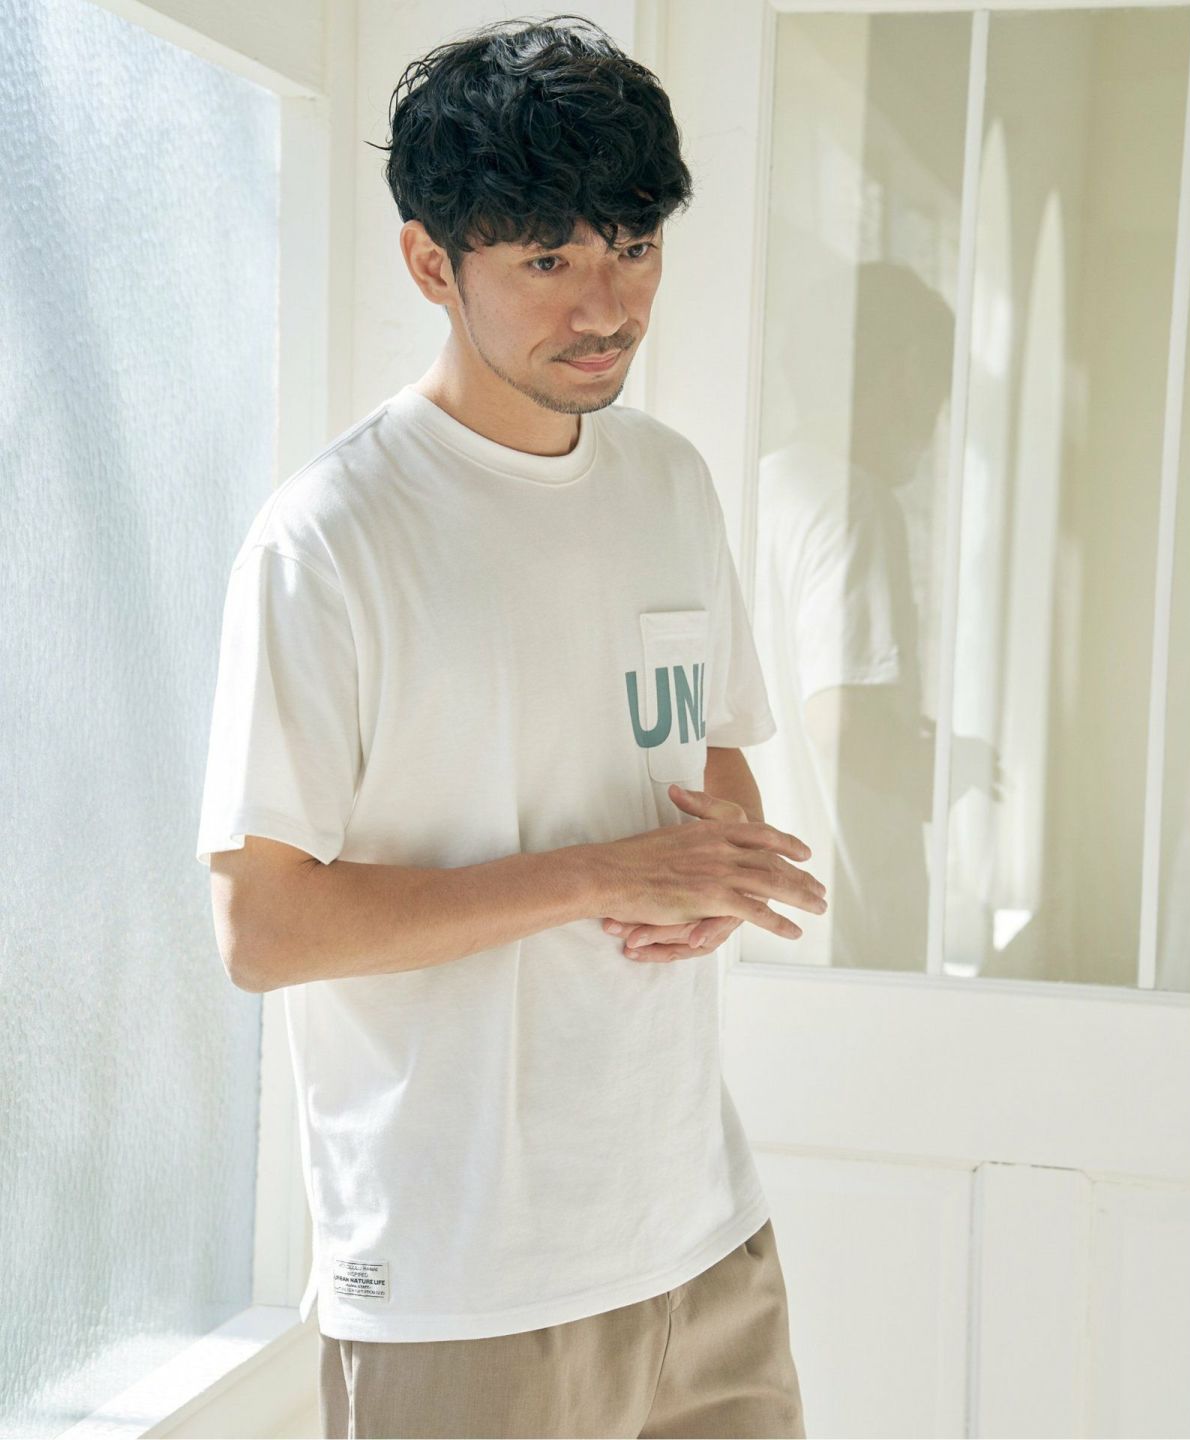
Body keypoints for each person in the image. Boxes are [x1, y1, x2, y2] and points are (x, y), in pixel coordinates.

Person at [195, 14, 826, 1438]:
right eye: (549, 260)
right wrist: (602, 876)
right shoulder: (330, 539)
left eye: (634, 247)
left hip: (702, 1241)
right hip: (464, 1281)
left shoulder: (671, 483)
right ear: (432, 263)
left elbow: (707, 758)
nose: (607, 305)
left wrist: (713, 872)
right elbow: (263, 929)